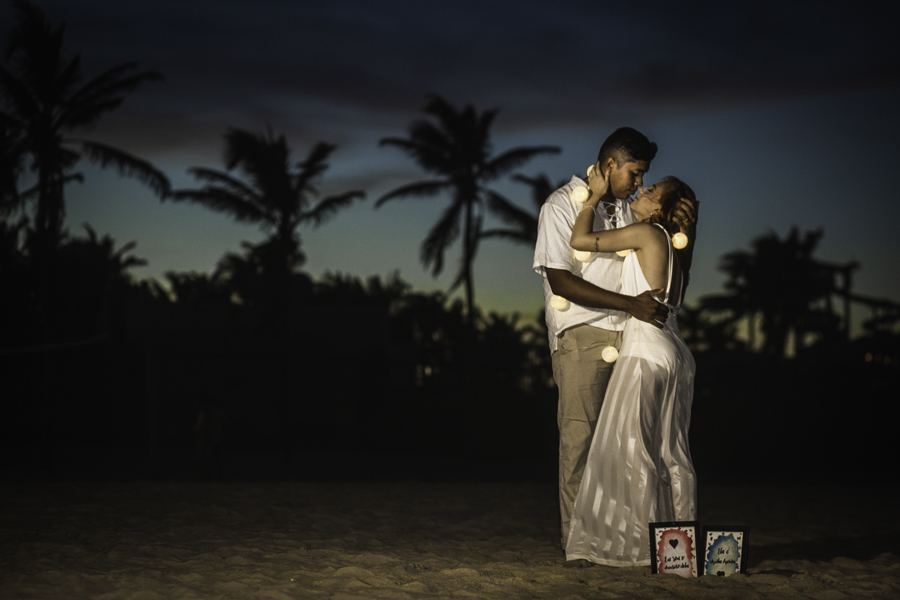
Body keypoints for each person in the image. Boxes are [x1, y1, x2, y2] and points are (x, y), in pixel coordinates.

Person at [532, 127, 697, 559]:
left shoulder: (629, 214)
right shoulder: (560, 206)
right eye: (635, 173)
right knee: (581, 445)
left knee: (624, 451)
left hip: (631, 341)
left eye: (646, 178)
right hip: (583, 338)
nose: (639, 182)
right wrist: (631, 304)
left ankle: (618, 543)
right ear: (610, 165)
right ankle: (578, 548)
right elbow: (560, 280)